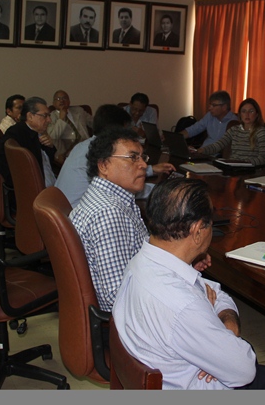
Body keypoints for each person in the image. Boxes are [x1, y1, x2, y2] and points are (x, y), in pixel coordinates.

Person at [112, 177, 265, 390]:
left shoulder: (145, 260)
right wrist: (213, 318)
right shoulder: (183, 303)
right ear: (198, 230)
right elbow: (244, 371)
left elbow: (215, 292)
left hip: (168, 366)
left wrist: (227, 325)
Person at [70, 127, 185, 312]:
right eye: (132, 158)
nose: (143, 165)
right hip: (131, 316)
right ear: (104, 166)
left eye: (142, 158)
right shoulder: (109, 214)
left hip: (142, 283)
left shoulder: (109, 198)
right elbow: (117, 295)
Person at [56, 104, 174, 209]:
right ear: (117, 130)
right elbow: (125, 188)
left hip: (65, 211)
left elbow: (123, 172)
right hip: (80, 215)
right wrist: (163, 191)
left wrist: (150, 170)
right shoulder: (103, 152)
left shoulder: (84, 145)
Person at [0, 96, 57, 190]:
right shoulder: (17, 132)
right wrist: (18, 181)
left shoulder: (38, 132)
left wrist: (50, 146)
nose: (49, 120)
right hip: (37, 190)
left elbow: (48, 162)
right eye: (45, 116)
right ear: (30, 116)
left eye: (49, 116)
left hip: (51, 185)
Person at [197, 98, 265, 166]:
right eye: (244, 111)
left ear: (257, 114)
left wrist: (245, 164)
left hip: (249, 170)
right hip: (232, 167)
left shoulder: (260, 131)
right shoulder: (234, 130)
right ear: (240, 114)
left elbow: (263, 158)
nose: (247, 115)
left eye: (251, 111)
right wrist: (201, 150)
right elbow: (218, 145)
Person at [46, 89, 92, 161]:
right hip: (67, 153)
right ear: (53, 103)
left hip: (87, 147)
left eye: (64, 98)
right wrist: (61, 119)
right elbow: (53, 136)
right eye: (58, 99)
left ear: (69, 101)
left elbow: (94, 123)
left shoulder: (79, 110)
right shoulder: (50, 117)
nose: (61, 101)